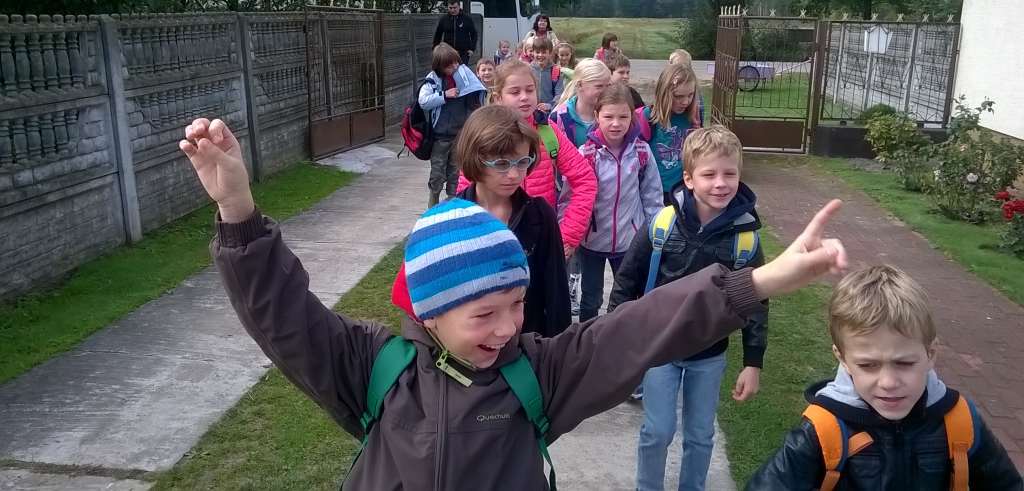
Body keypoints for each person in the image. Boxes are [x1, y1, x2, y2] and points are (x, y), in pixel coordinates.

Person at [181, 115, 851, 491]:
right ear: (430, 309)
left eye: (517, 304)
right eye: (484, 313)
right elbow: (285, 318)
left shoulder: (539, 374)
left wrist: (756, 282)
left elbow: (638, 327)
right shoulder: (374, 371)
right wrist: (237, 209)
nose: (508, 328)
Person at [745, 265, 1023, 491]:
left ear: (931, 354)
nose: (888, 382)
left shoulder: (959, 422)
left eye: (904, 363)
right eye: (868, 365)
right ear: (842, 358)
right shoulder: (824, 429)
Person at [608, 126, 769, 491]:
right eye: (709, 174)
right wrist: (617, 340)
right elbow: (627, 282)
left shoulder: (745, 240)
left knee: (700, 434)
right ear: (689, 179)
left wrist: (753, 363)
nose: (720, 184)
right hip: (661, 349)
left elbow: (757, 303)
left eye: (729, 174)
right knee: (657, 430)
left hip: (709, 354)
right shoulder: (661, 225)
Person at [457, 59, 596, 261]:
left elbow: (585, 179)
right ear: (498, 97)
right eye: (515, 92)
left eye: (530, 90)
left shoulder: (548, 133)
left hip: (539, 240)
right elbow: (466, 191)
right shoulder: (483, 134)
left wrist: (568, 235)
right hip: (490, 242)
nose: (524, 97)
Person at [452, 105, 571, 337]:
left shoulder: (540, 216)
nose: (514, 175)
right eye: (501, 164)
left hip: (527, 344)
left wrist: (559, 349)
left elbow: (556, 293)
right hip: (469, 345)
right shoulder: (450, 220)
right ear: (474, 159)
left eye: (522, 162)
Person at [568, 84, 662, 322]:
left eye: (623, 117)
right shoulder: (586, 154)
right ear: (597, 115)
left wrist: (655, 233)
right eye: (608, 117)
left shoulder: (641, 152)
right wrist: (570, 234)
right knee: (591, 298)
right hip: (592, 241)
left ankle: (621, 337)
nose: (615, 124)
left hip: (630, 241)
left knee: (626, 297)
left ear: (632, 117)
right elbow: (571, 197)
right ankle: (588, 338)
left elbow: (652, 195)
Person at [419, 43, 486, 207]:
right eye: (450, 66)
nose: (455, 67)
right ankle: (433, 202)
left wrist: (476, 95)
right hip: (439, 137)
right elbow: (423, 101)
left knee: (456, 172)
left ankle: (452, 203)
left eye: (456, 63)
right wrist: (444, 95)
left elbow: (472, 103)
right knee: (437, 172)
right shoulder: (433, 80)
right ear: (440, 67)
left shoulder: (464, 77)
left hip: (459, 136)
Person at [637, 63, 702, 205]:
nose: (685, 101)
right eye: (678, 96)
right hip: (656, 190)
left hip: (686, 188)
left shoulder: (693, 116)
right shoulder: (649, 117)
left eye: (690, 95)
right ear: (664, 93)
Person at [549, 58, 611, 149]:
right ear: (580, 85)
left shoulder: (612, 116)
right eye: (599, 86)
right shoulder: (559, 118)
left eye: (608, 86)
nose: (605, 91)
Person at [432, 0, 478, 65]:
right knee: (448, 69)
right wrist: (435, 49)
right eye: (450, 8)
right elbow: (438, 35)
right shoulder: (444, 19)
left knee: (461, 70)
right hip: (448, 52)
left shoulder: (467, 19)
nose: (452, 10)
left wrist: (472, 49)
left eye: (455, 7)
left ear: (459, 7)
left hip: (463, 53)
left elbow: (474, 34)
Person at [667, 47, 705, 126]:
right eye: (677, 66)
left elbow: (700, 109)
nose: (681, 70)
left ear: (690, 67)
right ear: (670, 66)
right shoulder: (666, 84)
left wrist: (699, 124)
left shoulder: (693, 88)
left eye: (685, 66)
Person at [530, 37, 566, 107]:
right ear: (533, 52)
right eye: (537, 52)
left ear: (550, 52)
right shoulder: (528, 69)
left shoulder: (555, 70)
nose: (540, 55)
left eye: (544, 52)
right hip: (531, 108)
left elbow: (560, 93)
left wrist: (550, 105)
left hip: (548, 110)